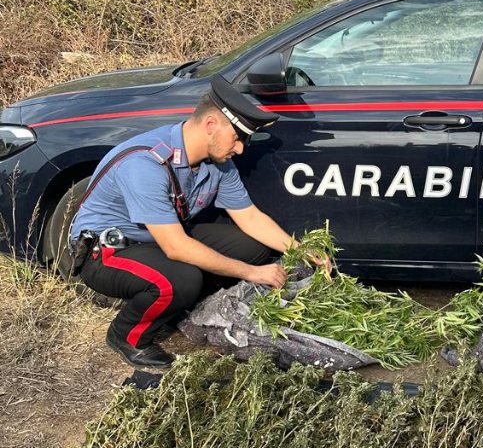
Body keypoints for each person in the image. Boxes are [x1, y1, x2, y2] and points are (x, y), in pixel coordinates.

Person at [69, 75, 329, 369]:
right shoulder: (146, 164)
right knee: (180, 280)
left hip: (159, 238)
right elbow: (177, 248)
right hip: (109, 252)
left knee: (251, 246)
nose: (241, 148)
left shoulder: (218, 162)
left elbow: (250, 217)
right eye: (238, 137)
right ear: (210, 126)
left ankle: (188, 309)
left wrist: (299, 248)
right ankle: (127, 336)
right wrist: (253, 273)